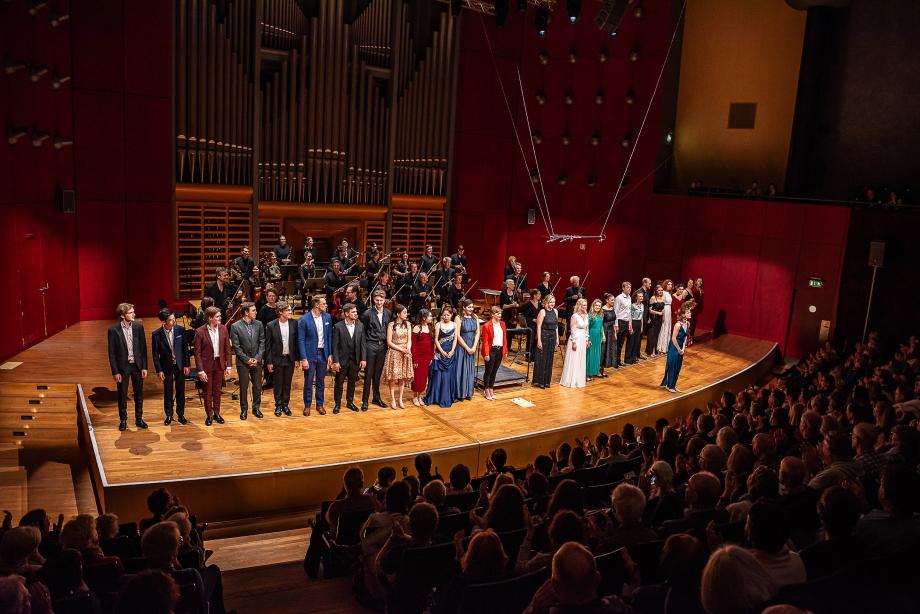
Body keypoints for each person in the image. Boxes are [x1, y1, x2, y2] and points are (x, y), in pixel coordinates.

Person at [107, 302, 148, 431]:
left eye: (133, 312)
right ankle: (123, 420)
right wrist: (115, 371)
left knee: (139, 394)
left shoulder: (138, 327)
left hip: (137, 365)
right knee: (122, 395)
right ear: (123, 315)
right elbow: (112, 353)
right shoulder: (113, 330)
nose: (134, 314)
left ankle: (139, 419)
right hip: (123, 367)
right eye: (130, 313)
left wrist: (144, 367)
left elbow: (143, 349)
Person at [193, 306, 232, 426]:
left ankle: (216, 413)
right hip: (206, 366)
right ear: (210, 318)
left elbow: (227, 349)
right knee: (207, 391)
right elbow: (197, 353)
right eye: (217, 316)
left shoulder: (223, 328)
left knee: (217, 391)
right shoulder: (200, 331)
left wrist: (229, 366)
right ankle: (209, 414)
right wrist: (200, 370)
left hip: (219, 364)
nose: (220, 318)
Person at [151, 308, 189, 426]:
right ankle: (169, 414)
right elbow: (155, 355)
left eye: (174, 319)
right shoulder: (156, 334)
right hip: (166, 366)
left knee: (180, 391)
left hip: (180, 365)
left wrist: (187, 364)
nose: (173, 322)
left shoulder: (180, 330)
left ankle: (181, 414)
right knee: (168, 391)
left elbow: (185, 349)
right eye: (171, 320)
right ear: (164, 322)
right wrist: (159, 370)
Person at [297, 296, 334, 416]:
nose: (326, 305)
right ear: (317, 305)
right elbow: (301, 340)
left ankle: (320, 404)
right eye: (324, 303)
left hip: (323, 354)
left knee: (321, 381)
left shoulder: (327, 317)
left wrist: (330, 353)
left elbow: (329, 336)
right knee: (308, 381)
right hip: (310, 354)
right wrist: (303, 358)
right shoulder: (304, 319)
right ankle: (307, 405)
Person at [229, 302, 265, 421]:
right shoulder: (235, 326)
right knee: (243, 387)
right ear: (246, 312)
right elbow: (236, 347)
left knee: (258, 387)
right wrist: (247, 359)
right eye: (253, 310)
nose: (256, 312)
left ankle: (256, 408)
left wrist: (257, 358)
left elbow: (262, 342)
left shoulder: (259, 324)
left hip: (257, 361)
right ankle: (244, 409)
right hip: (243, 362)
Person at [265, 301, 299, 417]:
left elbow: (296, 343)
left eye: (290, 310)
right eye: (288, 310)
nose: (290, 312)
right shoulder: (271, 325)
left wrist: (297, 359)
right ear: (280, 312)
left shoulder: (294, 323)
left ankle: (285, 404)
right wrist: (269, 361)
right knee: (278, 383)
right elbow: (268, 346)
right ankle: (278, 405)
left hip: (290, 358)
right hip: (277, 359)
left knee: (287, 383)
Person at [331, 303, 366, 413]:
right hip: (342, 361)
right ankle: (337, 404)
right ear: (346, 314)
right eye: (353, 312)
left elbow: (363, 344)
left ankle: (350, 402)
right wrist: (336, 361)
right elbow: (335, 346)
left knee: (352, 383)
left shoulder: (360, 325)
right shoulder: (338, 326)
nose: (356, 313)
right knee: (339, 383)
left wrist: (363, 359)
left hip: (355, 360)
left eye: (356, 311)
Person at [360, 290, 392, 411]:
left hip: (382, 346)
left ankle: (376, 398)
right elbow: (363, 333)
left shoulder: (388, 313)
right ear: (374, 300)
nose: (379, 302)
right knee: (368, 374)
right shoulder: (367, 314)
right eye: (377, 300)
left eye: (381, 300)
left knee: (377, 375)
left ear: (384, 300)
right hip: (370, 345)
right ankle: (365, 400)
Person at [425, 305, 458, 408]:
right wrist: (442, 351)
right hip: (440, 353)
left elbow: (455, 339)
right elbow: (435, 339)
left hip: (450, 353)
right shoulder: (438, 324)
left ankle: (447, 397)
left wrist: (452, 350)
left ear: (451, 315)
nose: (446, 317)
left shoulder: (455, 325)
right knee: (438, 376)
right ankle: (436, 397)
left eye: (448, 315)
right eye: (444, 315)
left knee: (448, 376)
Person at [381, 304, 413, 409]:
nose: (406, 314)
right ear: (398, 314)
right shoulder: (391, 325)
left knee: (402, 377)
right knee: (393, 377)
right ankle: (393, 399)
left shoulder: (408, 324)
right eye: (404, 312)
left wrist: (408, 349)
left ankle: (400, 399)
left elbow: (409, 340)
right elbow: (389, 342)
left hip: (405, 353)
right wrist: (401, 349)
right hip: (394, 352)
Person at [661, 306, 690, 393]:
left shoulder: (688, 324)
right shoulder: (677, 325)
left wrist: (683, 349)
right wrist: (678, 349)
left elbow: (685, 337)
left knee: (678, 366)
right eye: (688, 312)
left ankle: (673, 385)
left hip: (681, 346)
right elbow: (673, 338)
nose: (690, 313)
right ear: (683, 314)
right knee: (672, 366)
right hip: (674, 346)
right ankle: (669, 386)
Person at [480, 306, 508, 401]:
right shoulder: (487, 325)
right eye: (498, 313)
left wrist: (505, 351)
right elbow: (485, 341)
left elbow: (504, 338)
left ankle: (491, 388)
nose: (500, 315)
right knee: (489, 371)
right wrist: (486, 354)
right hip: (491, 350)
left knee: (495, 371)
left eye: (500, 313)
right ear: (492, 314)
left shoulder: (503, 324)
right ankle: (486, 389)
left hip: (499, 350)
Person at [455, 299, 480, 401]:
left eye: (472, 307)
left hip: (472, 345)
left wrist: (474, 346)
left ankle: (468, 393)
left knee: (469, 369)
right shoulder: (458, 318)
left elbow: (477, 333)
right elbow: (457, 335)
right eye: (469, 307)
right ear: (464, 307)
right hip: (462, 346)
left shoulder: (475, 317)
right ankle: (460, 393)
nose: (471, 309)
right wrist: (467, 348)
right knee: (461, 369)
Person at [560, 298, 588, 388]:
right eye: (584, 305)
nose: (585, 307)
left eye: (586, 305)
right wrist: (574, 341)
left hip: (583, 339)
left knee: (580, 358)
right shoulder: (574, 316)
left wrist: (587, 339)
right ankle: (570, 380)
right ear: (579, 306)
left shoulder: (586, 315)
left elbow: (586, 328)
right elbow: (572, 329)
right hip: (576, 339)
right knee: (574, 358)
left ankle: (578, 380)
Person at [532, 294, 559, 388]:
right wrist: (539, 340)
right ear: (546, 302)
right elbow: (538, 327)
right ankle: (539, 381)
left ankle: (546, 381)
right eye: (551, 302)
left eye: (554, 302)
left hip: (552, 336)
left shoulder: (555, 311)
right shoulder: (542, 312)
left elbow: (556, 326)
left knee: (549, 358)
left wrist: (557, 338)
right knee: (542, 358)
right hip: (544, 336)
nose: (552, 304)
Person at [410, 310, 435, 407]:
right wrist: (414, 359)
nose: (431, 318)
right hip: (418, 356)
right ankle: (415, 396)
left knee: (424, 378)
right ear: (424, 317)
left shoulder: (430, 328)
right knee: (417, 377)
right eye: (429, 316)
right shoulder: (417, 328)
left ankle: (420, 396)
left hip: (427, 357)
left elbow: (432, 344)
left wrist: (431, 357)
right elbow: (413, 345)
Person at [613, 281, 632, 367]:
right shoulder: (619, 298)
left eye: (630, 287)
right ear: (623, 288)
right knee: (617, 342)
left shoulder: (629, 298)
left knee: (621, 343)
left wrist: (630, 324)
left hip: (626, 322)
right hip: (620, 322)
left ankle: (618, 360)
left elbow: (629, 312)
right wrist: (616, 324)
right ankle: (614, 361)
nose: (629, 289)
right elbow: (616, 311)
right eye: (627, 287)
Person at [521, 287, 542, 361]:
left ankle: (535, 357)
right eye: (539, 294)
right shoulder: (528, 304)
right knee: (531, 340)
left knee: (537, 340)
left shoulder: (540, 304)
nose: (540, 295)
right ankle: (528, 356)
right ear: (534, 295)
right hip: (531, 325)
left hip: (539, 324)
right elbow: (526, 316)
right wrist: (534, 320)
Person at [586, 299, 605, 381]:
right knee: (590, 355)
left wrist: (603, 336)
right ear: (593, 306)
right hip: (592, 336)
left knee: (596, 355)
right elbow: (587, 328)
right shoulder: (590, 315)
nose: (597, 307)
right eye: (596, 305)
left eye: (599, 306)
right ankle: (587, 374)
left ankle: (593, 372)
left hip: (598, 336)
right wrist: (588, 338)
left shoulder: (600, 315)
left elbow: (601, 326)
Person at [625, 289, 645, 364]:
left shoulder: (642, 305)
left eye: (642, 296)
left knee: (637, 341)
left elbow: (642, 317)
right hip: (633, 322)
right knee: (631, 341)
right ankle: (627, 358)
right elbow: (630, 316)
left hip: (639, 323)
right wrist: (630, 326)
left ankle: (633, 357)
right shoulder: (633, 305)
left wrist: (642, 326)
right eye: (639, 296)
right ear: (636, 297)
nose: (641, 297)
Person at [600, 293, 619, 372]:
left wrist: (615, 333)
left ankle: (603, 368)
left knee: (609, 349)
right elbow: (600, 323)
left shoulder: (612, 309)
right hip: (604, 330)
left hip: (611, 331)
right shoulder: (602, 310)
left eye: (614, 300)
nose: (613, 301)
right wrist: (603, 335)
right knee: (603, 350)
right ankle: (599, 369)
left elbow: (614, 322)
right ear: (607, 300)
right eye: (612, 300)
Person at [646, 284, 665, 357]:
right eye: (659, 290)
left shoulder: (663, 298)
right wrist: (658, 313)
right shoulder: (653, 298)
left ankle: (655, 350)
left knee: (657, 335)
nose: (660, 291)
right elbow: (650, 310)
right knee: (652, 335)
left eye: (661, 290)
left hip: (659, 319)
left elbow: (662, 309)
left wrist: (663, 315)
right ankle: (651, 351)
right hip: (653, 319)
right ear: (656, 291)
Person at [656, 279, 674, 354]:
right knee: (664, 327)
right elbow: (661, 302)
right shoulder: (663, 292)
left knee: (668, 327)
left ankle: (666, 347)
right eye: (668, 284)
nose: (670, 286)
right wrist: (662, 312)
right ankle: (661, 348)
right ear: (665, 285)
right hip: (665, 309)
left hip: (669, 310)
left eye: (671, 284)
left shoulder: (669, 293)